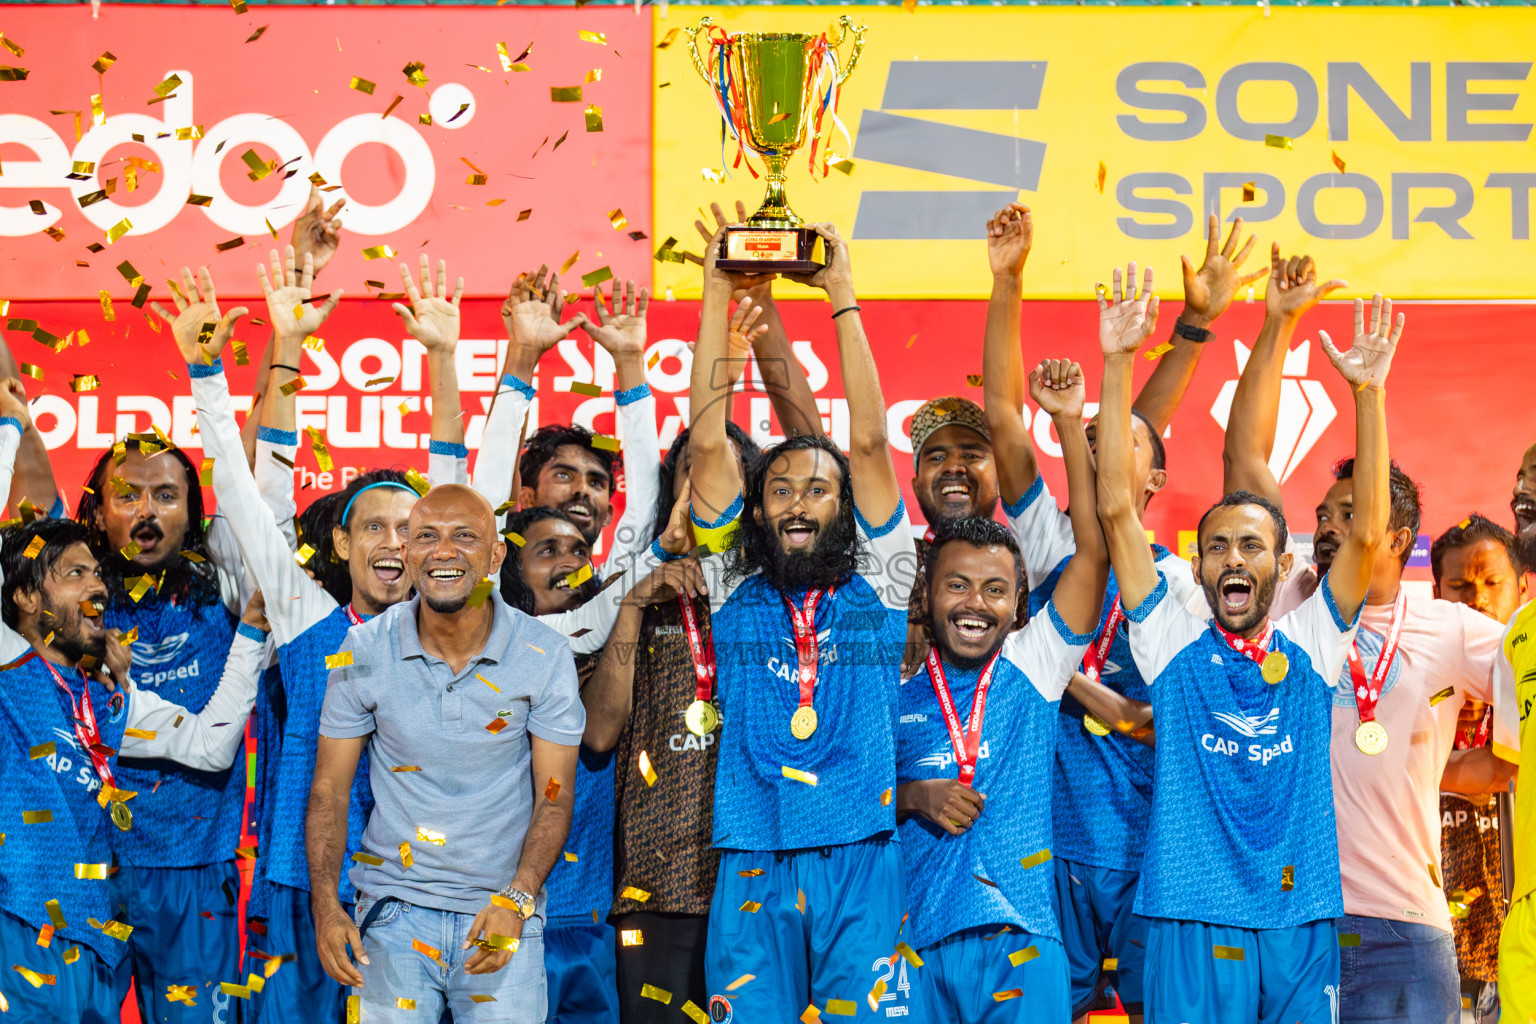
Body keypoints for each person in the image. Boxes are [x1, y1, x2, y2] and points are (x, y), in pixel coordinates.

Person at [1096, 260, 1394, 1024]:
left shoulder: (1315, 641)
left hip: (1298, 917)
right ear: (1196, 567)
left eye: (1252, 546)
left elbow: (1366, 531)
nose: (1234, 558)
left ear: (1283, 563)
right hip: (1190, 911)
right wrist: (1118, 362)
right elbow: (1118, 514)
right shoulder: (1168, 639)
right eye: (1218, 546)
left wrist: (1369, 394)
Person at [984, 206, 1257, 1019]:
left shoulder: (1189, 587)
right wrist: (1007, 283)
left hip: (1154, 851)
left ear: (1153, 483)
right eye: (1093, 433)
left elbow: (1158, 720)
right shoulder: (1046, 544)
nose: (1104, 443)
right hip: (1046, 849)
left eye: (1125, 444)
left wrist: (1050, 673)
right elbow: (1003, 416)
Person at [179, 249, 466, 1022]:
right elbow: (241, 493)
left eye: (410, 530)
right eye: (373, 525)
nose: (392, 541)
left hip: (410, 887)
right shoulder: (307, 620)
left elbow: (457, 486)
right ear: (341, 545)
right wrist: (244, 361)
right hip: (297, 880)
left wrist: (444, 360)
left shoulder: (450, 629)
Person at [1228, 289, 1508, 1024]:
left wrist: (1479, 768)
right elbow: (1246, 461)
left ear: (1397, 533)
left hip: (1404, 924)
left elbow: (1524, 697)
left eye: (1350, 515)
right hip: (1290, 916)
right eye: (1324, 514)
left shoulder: (1449, 627)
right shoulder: (1287, 595)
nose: (1327, 526)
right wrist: (1276, 320)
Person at [686, 221, 918, 1020]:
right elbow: (710, 442)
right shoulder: (731, 584)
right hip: (753, 856)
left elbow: (870, 438)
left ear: (846, 507)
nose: (797, 503)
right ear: (757, 507)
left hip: (862, 855)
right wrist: (717, 290)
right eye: (780, 489)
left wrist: (841, 297)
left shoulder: (886, 583)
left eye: (819, 489)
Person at [0, 375, 271, 1022]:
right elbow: (30, 520)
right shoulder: (44, 640)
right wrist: (17, 422)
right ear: (95, 512)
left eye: (166, 495)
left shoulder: (225, 591)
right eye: (127, 494)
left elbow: (253, 481)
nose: (146, 510)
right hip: (76, 882)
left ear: (192, 513)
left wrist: (268, 354)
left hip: (191, 871)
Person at [307, 484, 584, 1023]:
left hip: (502, 915)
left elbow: (555, 795)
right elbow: (329, 790)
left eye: (465, 537)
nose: (443, 551)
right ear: (407, 551)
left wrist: (519, 899)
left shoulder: (544, 654)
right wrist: (325, 906)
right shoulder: (362, 649)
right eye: (426, 537)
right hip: (392, 917)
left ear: (496, 555)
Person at [896, 357, 1108, 1023]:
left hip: (1023, 943)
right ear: (926, 595)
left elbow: (1094, 556)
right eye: (956, 585)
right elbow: (835, 798)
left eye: (995, 590)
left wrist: (1070, 425)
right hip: (906, 948)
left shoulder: (1034, 661)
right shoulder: (888, 682)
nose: (974, 604)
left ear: (1021, 606)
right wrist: (912, 796)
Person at [1431, 515, 1526, 1024]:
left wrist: (1422, 766)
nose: (1479, 599)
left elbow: (1499, 773)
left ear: (1523, 586)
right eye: (1461, 586)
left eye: (1493, 583)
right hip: (1431, 938)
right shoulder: (1414, 674)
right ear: (1435, 589)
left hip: (1518, 936)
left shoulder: (1527, 680)